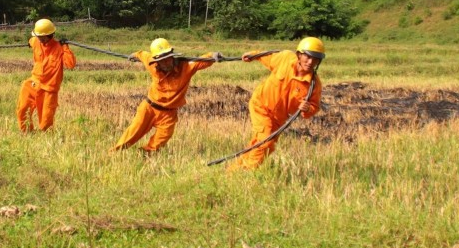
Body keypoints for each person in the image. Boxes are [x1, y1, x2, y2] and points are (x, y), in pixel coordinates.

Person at [230, 37, 324, 170]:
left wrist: (308, 108)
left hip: (279, 119)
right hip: (261, 106)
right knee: (265, 141)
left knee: (265, 145)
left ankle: (234, 170)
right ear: (299, 55)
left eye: (315, 59)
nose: (310, 62)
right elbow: (267, 57)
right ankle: (246, 172)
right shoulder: (285, 59)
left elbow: (314, 107)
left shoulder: (314, 85)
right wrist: (253, 55)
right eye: (307, 57)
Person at [112, 38, 218, 154]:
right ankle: (115, 152)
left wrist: (213, 55)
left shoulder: (186, 67)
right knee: (132, 133)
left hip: (169, 113)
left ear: (172, 56)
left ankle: (144, 154)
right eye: (162, 60)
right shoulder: (151, 64)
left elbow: (201, 61)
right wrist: (135, 55)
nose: (166, 62)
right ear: (157, 61)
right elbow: (143, 55)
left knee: (161, 139)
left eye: (168, 59)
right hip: (149, 108)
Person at [16, 18, 76, 132]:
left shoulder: (59, 48)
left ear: (50, 35)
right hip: (34, 83)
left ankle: (45, 136)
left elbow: (71, 64)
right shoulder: (35, 41)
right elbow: (31, 39)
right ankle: (27, 133)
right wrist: (30, 41)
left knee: (45, 122)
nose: (40, 39)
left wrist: (65, 47)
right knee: (22, 109)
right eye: (38, 37)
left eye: (42, 37)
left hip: (49, 89)